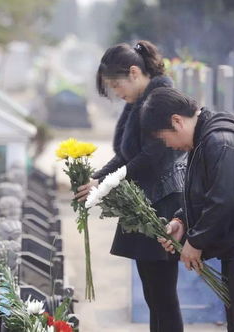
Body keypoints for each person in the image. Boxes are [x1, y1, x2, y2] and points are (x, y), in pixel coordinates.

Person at [141, 87, 234, 332]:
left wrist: (195, 242)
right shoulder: (205, 139)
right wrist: (182, 221)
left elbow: (223, 200)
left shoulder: (220, 142)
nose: (170, 146)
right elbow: (206, 193)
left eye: (166, 139)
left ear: (177, 121)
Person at [76, 41, 187, 332]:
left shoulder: (161, 100)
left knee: (162, 294)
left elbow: (151, 156)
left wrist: (107, 183)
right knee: (154, 293)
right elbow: (126, 155)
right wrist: (98, 180)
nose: (116, 92)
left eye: (116, 84)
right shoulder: (138, 101)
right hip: (144, 199)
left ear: (135, 72)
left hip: (161, 203)